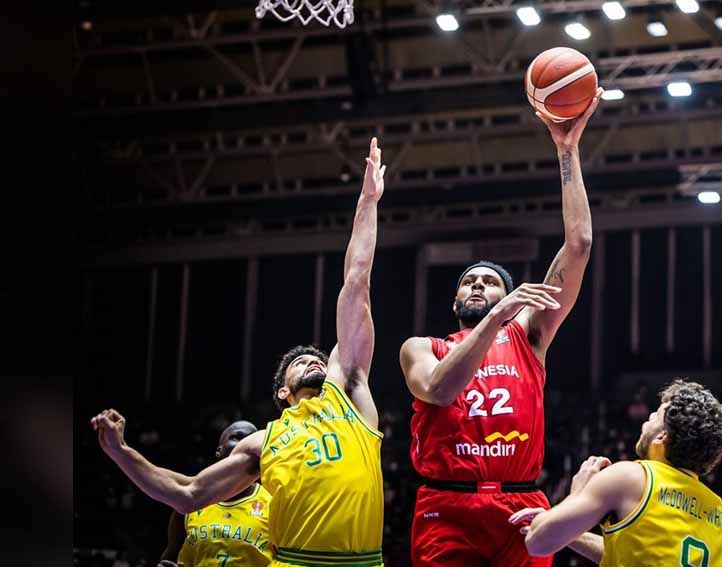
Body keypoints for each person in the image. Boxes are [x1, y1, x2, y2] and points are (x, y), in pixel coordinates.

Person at [92, 137, 388, 567]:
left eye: (319, 358)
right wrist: (120, 452)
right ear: (283, 392)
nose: (313, 360)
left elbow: (356, 280)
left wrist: (368, 202)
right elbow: (187, 493)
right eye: (298, 362)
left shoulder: (353, 396)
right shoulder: (262, 442)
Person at [399, 87, 604, 566]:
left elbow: (580, 244)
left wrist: (567, 151)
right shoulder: (422, 347)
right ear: (455, 300)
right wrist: (496, 315)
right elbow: (438, 390)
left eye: (490, 283)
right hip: (446, 506)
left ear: (509, 294)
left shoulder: (530, 336)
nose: (478, 285)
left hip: (521, 504)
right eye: (469, 281)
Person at [509, 380, 722, 567]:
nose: (647, 420)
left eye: (655, 415)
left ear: (661, 437)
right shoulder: (718, 515)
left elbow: (538, 542)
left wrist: (576, 495)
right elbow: (632, 557)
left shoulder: (632, 477)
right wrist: (569, 528)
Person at [157, 421, 271, 567]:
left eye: (251, 440)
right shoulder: (189, 504)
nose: (245, 444)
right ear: (219, 450)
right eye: (237, 438)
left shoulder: (273, 502)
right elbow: (170, 556)